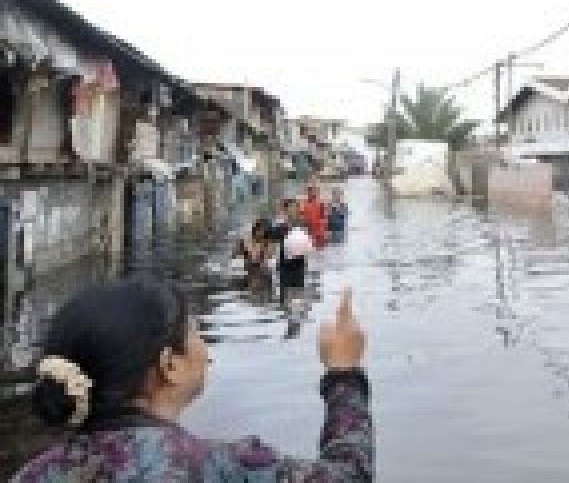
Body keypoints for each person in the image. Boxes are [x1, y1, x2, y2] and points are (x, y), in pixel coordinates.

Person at [13, 277, 371, 481]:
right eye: (197, 333)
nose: (207, 351)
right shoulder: (225, 467)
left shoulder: (32, 475)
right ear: (169, 364)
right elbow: (350, 475)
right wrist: (344, 373)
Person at [280, 201, 315, 290]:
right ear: (286, 211)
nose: (292, 211)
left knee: (299, 289)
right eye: (290, 208)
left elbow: (308, 242)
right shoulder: (281, 225)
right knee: (285, 289)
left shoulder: (303, 224)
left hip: (299, 263)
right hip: (284, 263)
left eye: (295, 208)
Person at [300, 182, 328, 249]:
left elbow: (324, 218)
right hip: (309, 232)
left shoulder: (321, 203)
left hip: (319, 232)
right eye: (310, 190)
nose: (312, 192)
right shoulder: (303, 204)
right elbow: (301, 218)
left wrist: (324, 232)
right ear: (307, 192)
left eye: (313, 190)